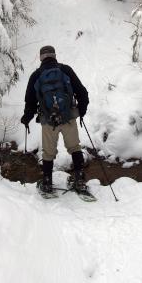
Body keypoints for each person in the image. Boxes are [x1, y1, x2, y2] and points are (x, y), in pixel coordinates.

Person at [21, 45, 89, 194]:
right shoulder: (66, 70)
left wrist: (26, 118)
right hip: (68, 117)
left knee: (48, 152)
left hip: (48, 120)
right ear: (54, 55)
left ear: (41, 58)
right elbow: (82, 92)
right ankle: (79, 179)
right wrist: (81, 112)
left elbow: (30, 102)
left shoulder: (36, 75)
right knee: (75, 147)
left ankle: (47, 182)